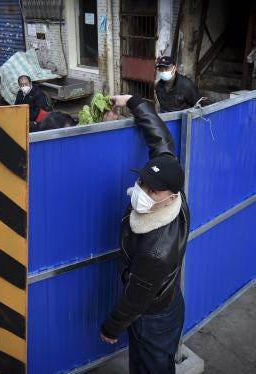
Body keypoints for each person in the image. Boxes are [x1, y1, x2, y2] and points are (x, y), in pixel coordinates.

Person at [100, 94, 190, 374]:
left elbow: (136, 300)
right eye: (142, 180)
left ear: (170, 195)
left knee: (151, 367)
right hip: (168, 299)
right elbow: (162, 143)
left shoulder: (155, 252)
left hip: (153, 318)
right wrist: (134, 102)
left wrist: (111, 327)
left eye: (153, 189)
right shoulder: (175, 196)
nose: (143, 189)